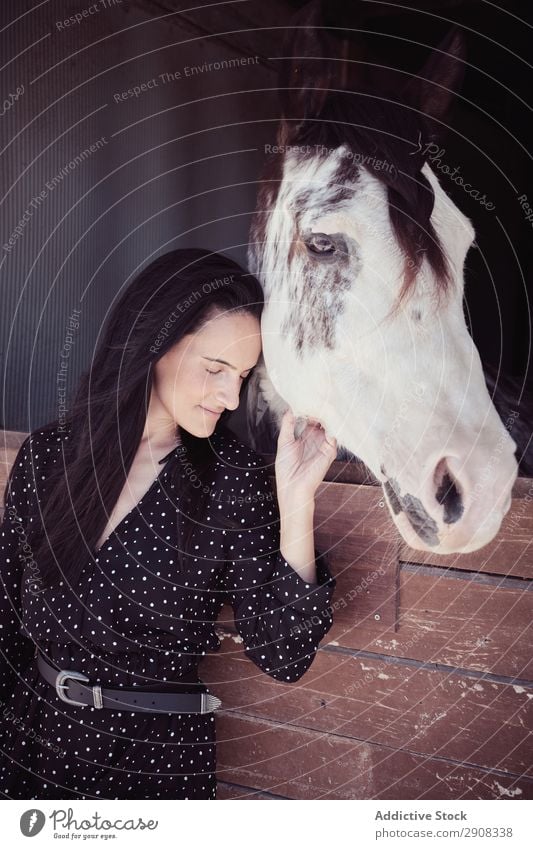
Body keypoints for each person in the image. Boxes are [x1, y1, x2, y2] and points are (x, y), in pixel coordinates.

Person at [0, 248, 337, 800]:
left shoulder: (235, 480)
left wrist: (296, 498)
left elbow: (283, 655)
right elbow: (7, 626)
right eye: (215, 369)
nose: (230, 397)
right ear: (156, 343)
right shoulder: (47, 459)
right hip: (35, 749)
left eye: (244, 376)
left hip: (153, 764)